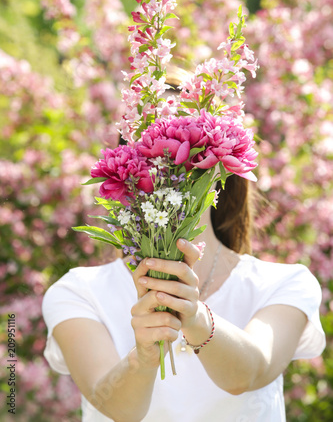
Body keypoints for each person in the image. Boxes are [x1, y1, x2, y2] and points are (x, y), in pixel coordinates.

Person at [42, 171, 326, 422]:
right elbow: (113, 406)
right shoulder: (78, 292)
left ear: (219, 165)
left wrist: (196, 317)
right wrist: (143, 359)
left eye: (187, 148)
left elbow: (250, 372)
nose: (166, 167)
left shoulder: (284, 283)